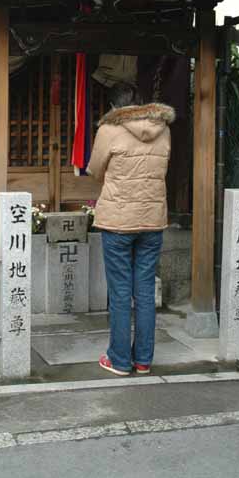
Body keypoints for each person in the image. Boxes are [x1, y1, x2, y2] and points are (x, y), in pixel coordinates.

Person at [87, 100, 174, 376]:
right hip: (152, 219)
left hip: (118, 221)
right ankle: (143, 360)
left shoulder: (109, 130)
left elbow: (94, 169)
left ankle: (120, 360)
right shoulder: (163, 129)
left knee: (121, 293)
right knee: (145, 292)